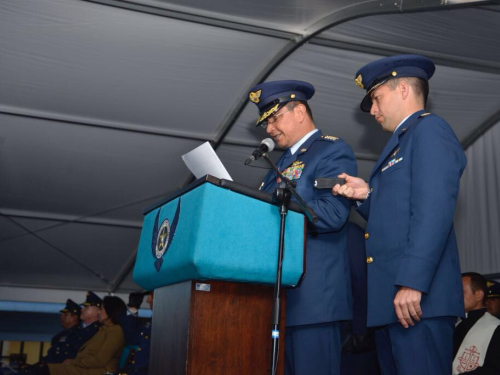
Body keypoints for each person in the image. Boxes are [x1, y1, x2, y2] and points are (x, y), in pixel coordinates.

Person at [332, 54, 467, 375]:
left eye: (376, 99)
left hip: (417, 300)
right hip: (395, 303)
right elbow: (398, 214)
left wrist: (411, 282)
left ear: (403, 89)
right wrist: (366, 196)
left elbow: (434, 210)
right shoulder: (402, 142)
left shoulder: (429, 131)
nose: (373, 110)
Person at [248, 80, 357, 375]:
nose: (269, 129)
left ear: (299, 111)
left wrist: (282, 208)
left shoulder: (330, 152)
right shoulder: (279, 163)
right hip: (279, 300)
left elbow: (333, 213)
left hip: (314, 301)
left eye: (274, 118)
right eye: (265, 122)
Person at [47, 296, 127, 375]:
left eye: (102, 309)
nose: (99, 312)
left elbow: (99, 360)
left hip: (97, 372)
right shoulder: (103, 329)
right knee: (42, 369)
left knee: (44, 370)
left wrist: (73, 362)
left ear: (110, 311)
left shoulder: (115, 331)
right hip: (86, 369)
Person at [453, 272, 500, 374]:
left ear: (479, 295)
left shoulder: (496, 328)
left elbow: (495, 369)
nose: (456, 297)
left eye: (462, 292)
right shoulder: (457, 326)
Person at [119, 291, 154, 375]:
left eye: (152, 295)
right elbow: (132, 339)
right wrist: (133, 308)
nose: (148, 300)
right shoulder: (152, 323)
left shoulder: (170, 324)